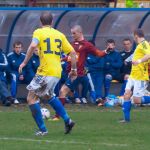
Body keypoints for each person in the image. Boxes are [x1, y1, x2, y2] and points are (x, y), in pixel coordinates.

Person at [19, 12, 77, 135]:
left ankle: (42, 129)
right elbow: (72, 52)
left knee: (31, 98)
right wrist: (74, 69)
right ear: (52, 22)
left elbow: (33, 45)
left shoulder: (38, 32)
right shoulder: (59, 34)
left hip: (45, 71)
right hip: (57, 72)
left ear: (41, 22)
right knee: (48, 96)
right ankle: (68, 120)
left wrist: (24, 62)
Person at [52, 25, 110, 120]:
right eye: (72, 33)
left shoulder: (87, 45)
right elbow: (73, 57)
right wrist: (62, 58)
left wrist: (106, 51)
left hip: (77, 74)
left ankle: (57, 116)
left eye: (74, 33)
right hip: (70, 73)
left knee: (62, 92)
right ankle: (59, 114)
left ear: (80, 32)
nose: (72, 35)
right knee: (64, 93)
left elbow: (99, 54)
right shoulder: (72, 44)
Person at [120, 29, 150, 123]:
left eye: (134, 36)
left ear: (136, 36)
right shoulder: (139, 45)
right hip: (133, 75)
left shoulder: (144, 44)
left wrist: (139, 61)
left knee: (137, 100)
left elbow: (149, 54)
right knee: (126, 95)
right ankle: (126, 119)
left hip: (140, 76)